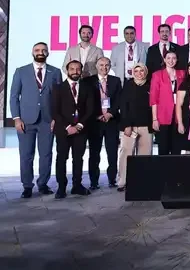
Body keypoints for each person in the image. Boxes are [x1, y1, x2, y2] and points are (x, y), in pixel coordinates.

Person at [10, 42, 62, 198]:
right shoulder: (21, 71)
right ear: (32, 52)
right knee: (26, 155)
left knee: (46, 154)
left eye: (44, 50)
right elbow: (14, 96)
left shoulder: (55, 72)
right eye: (37, 50)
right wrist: (16, 118)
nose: (41, 52)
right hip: (26, 120)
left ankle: (43, 184)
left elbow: (59, 98)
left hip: (47, 120)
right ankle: (27, 186)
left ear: (48, 53)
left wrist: (56, 118)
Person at [52, 60, 94, 198]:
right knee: (61, 158)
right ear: (67, 70)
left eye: (78, 69)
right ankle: (61, 187)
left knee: (78, 158)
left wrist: (79, 126)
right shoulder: (58, 88)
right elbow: (55, 111)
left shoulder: (87, 88)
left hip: (81, 130)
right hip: (63, 130)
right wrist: (68, 127)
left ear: (81, 71)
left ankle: (77, 186)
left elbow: (90, 109)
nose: (75, 71)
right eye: (72, 69)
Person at [86, 57, 122, 190]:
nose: (104, 67)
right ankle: (94, 181)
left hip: (111, 121)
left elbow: (119, 100)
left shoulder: (116, 80)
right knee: (94, 153)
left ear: (110, 66)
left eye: (107, 65)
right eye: (101, 65)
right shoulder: (88, 81)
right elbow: (87, 101)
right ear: (96, 66)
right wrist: (97, 115)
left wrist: (110, 113)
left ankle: (112, 179)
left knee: (112, 152)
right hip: (95, 122)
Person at [117, 63, 152, 192]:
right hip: (129, 126)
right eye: (136, 71)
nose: (139, 73)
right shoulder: (128, 85)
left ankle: (142, 181)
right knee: (126, 153)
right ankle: (123, 181)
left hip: (146, 126)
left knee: (145, 154)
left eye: (141, 70)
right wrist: (127, 125)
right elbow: (123, 106)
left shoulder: (150, 85)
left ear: (145, 72)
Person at [150, 51, 186, 156]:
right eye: (168, 58)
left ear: (177, 60)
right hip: (163, 115)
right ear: (164, 60)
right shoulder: (157, 75)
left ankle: (175, 167)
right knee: (163, 147)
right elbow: (153, 98)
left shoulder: (182, 74)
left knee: (177, 147)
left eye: (174, 58)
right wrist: (154, 119)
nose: (171, 60)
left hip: (178, 114)